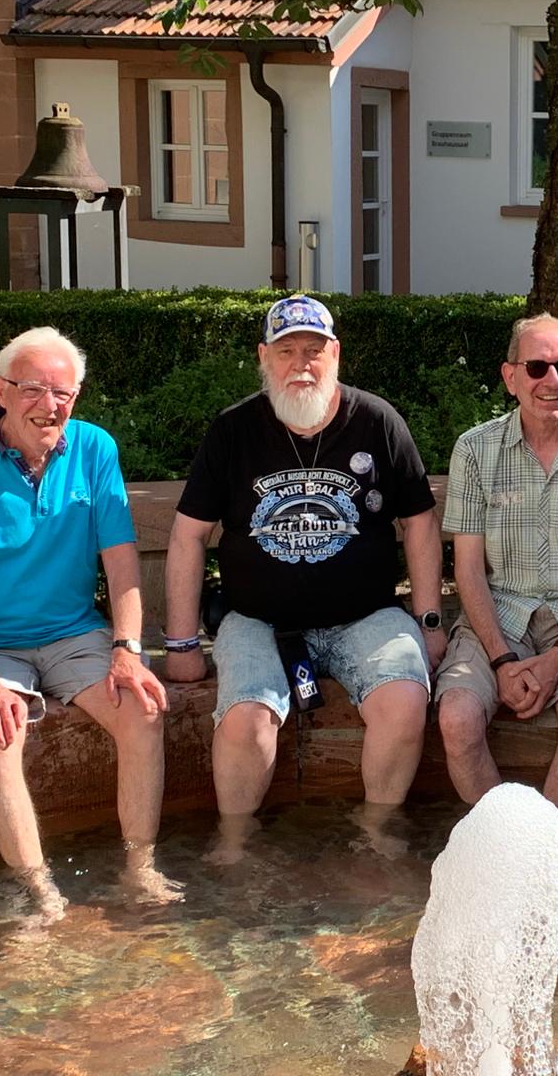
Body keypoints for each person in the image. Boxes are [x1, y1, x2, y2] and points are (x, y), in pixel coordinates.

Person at [163, 294, 445, 862]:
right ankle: (235, 848)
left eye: (314, 351)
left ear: (335, 354)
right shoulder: (233, 430)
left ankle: (376, 836)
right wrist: (181, 643)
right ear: (263, 357)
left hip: (367, 617)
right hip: (257, 620)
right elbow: (188, 536)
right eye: (286, 351)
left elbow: (419, 523)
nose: (301, 364)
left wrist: (430, 622)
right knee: (247, 719)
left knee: (404, 701)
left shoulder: (378, 422)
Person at [0, 326, 179, 919]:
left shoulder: (94, 448)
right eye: (33, 389)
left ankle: (140, 870)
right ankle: (39, 894)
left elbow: (121, 560)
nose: (50, 405)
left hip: (73, 634)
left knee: (143, 709)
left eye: (63, 393)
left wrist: (127, 647)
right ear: (1, 391)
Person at [434, 315, 558, 810]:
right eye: (537, 367)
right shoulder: (475, 449)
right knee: (456, 719)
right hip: (497, 615)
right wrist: (502, 661)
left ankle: (546, 843)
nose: (552, 380)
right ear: (511, 377)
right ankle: (500, 840)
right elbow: (468, 571)